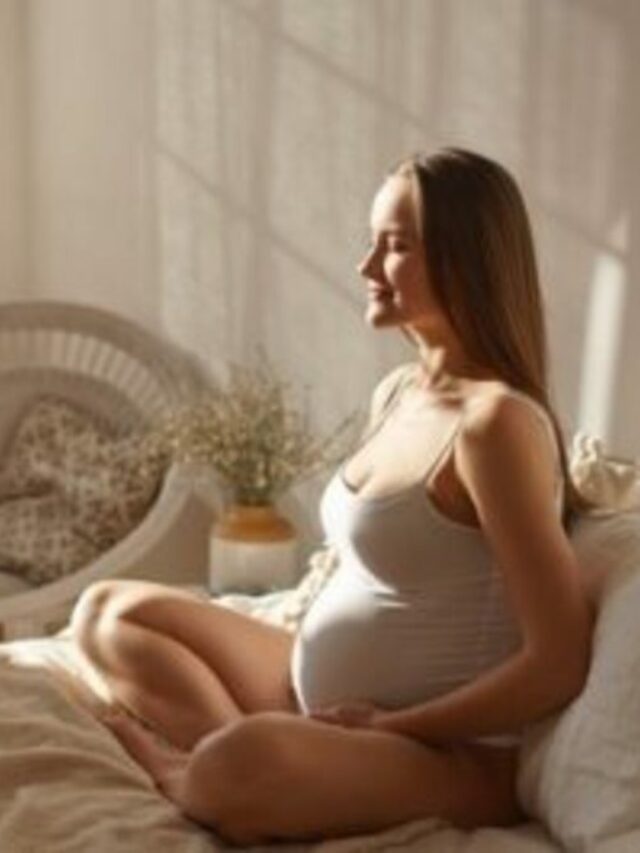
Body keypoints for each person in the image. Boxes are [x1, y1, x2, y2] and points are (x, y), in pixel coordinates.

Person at [70, 147, 595, 845]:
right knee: (107, 610)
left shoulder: (494, 424)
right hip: (333, 711)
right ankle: (244, 758)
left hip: (446, 753)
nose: (366, 267)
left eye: (395, 246)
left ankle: (207, 770)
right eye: (372, 242)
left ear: (466, 260)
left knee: (242, 764)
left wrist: (389, 725)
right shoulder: (400, 392)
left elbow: (558, 659)